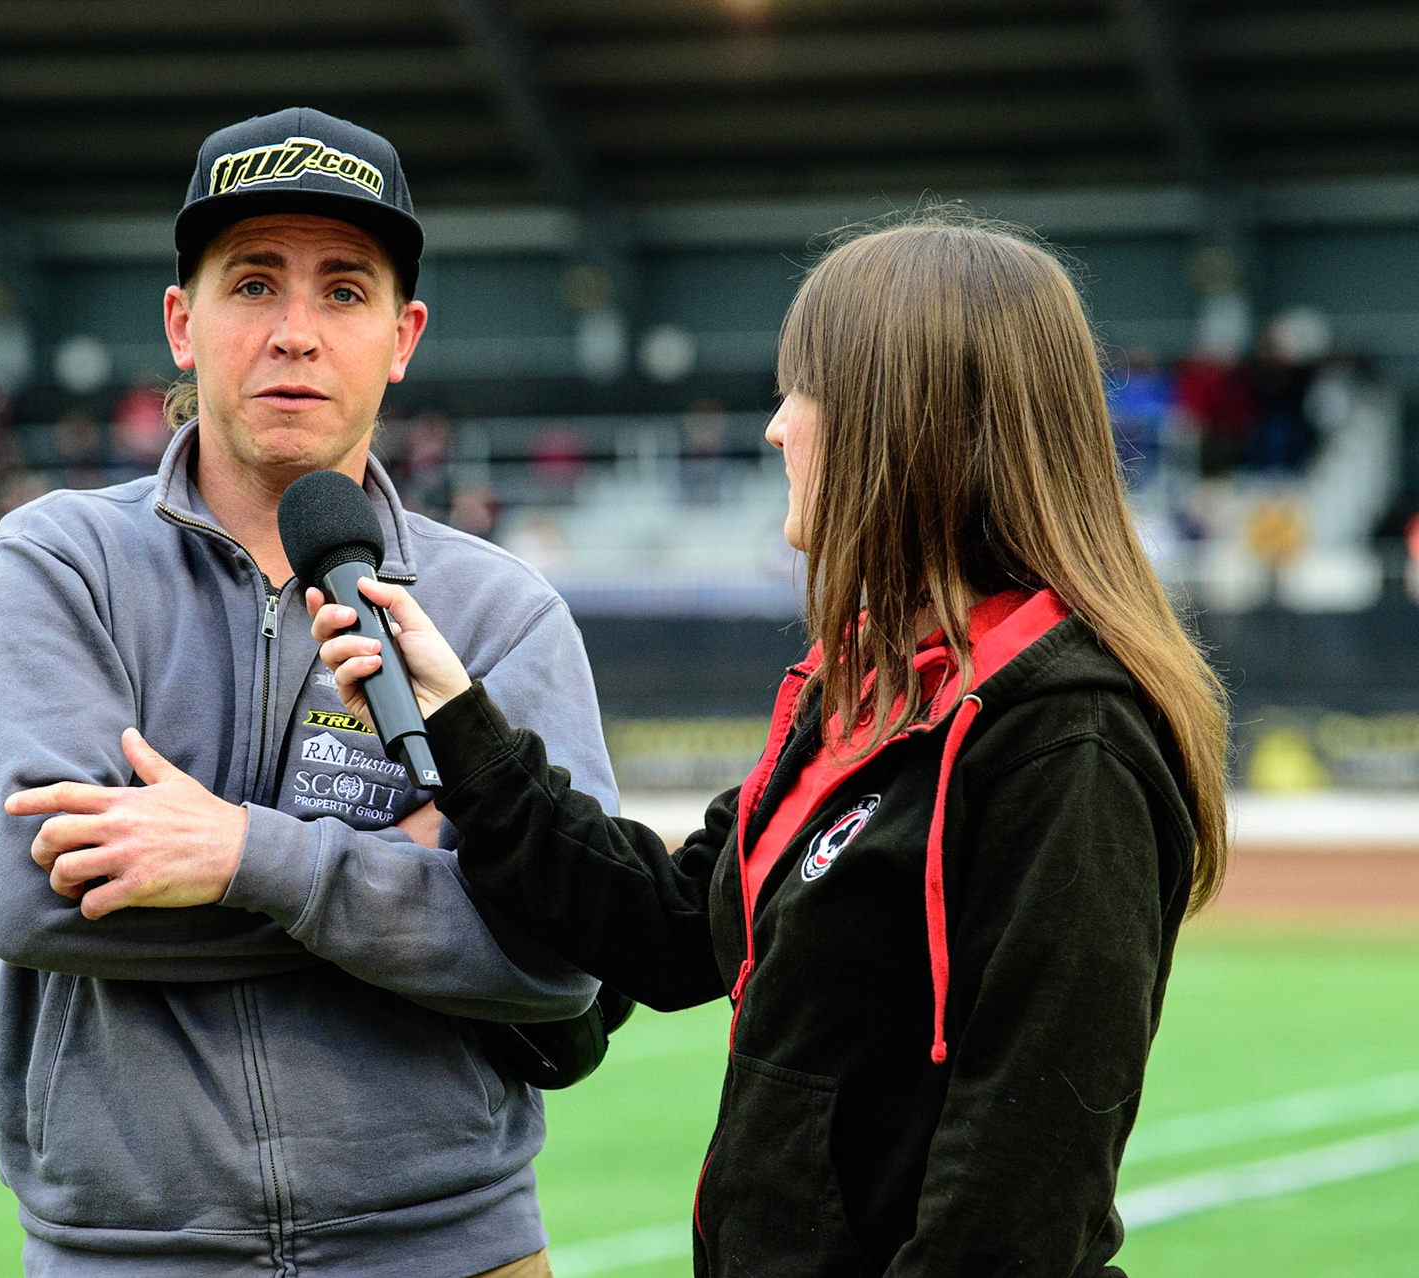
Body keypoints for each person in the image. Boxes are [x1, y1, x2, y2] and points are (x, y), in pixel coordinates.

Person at [313, 215, 1230, 1277]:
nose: (777, 429)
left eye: (805, 392)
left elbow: (1016, 1202)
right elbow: (667, 929)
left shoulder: (1068, 735)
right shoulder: (870, 692)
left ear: (903, 422)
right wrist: (457, 715)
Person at [0, 106, 615, 1278]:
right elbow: (36, 901)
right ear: (181, 322)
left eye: (345, 292)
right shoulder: (56, 564)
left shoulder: (504, 615)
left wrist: (238, 857)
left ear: (403, 336)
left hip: (456, 1251)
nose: (296, 333)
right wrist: (424, 887)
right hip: (126, 1256)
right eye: (253, 284)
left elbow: (567, 960)